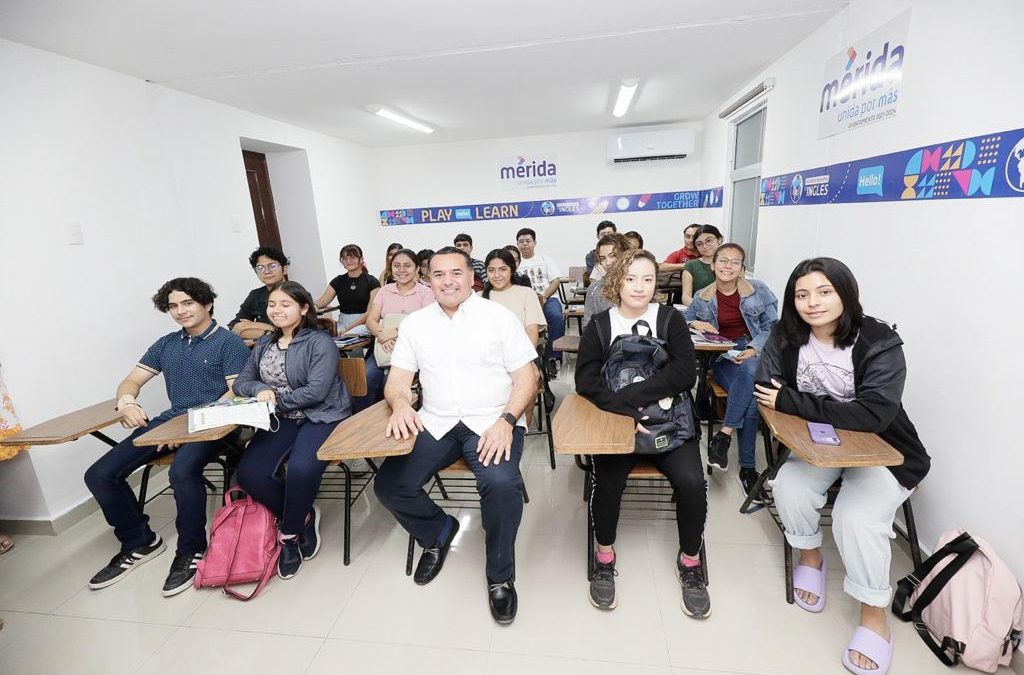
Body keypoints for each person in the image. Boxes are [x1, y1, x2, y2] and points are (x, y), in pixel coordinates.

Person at [755, 258, 930, 675]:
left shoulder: (879, 341)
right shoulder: (786, 336)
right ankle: (811, 557)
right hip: (818, 445)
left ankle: (874, 617)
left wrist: (794, 401)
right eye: (802, 295)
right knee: (789, 487)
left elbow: (874, 416)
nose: (812, 303)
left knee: (855, 518)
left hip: (884, 450)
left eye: (824, 292)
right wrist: (828, 411)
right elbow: (766, 390)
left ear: (846, 293)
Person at [373, 247, 538, 625]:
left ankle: (500, 576)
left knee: (500, 485)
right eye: (439, 274)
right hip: (438, 420)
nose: (448, 281)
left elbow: (527, 378)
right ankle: (438, 531)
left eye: (456, 273)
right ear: (428, 279)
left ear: (470, 277)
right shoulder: (415, 324)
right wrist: (400, 405)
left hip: (492, 420)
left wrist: (507, 420)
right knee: (390, 485)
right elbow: (397, 382)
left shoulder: (499, 317)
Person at [84, 278, 250, 596]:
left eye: (187, 303)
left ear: (207, 304)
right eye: (173, 306)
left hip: (216, 425)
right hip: (170, 422)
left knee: (181, 471)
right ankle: (140, 542)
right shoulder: (167, 344)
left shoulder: (229, 343)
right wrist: (127, 402)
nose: (180, 311)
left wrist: (187, 429)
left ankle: (190, 550)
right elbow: (131, 380)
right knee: (100, 475)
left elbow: (234, 395)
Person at [575, 249, 710, 618]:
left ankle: (691, 561)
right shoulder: (601, 325)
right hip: (620, 426)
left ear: (657, 283)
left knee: (692, 483)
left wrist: (630, 398)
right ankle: (604, 555)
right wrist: (624, 413)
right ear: (617, 281)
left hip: (669, 423)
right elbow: (585, 381)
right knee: (607, 483)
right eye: (631, 278)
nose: (639, 287)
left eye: (648, 279)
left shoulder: (668, 318)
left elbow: (685, 374)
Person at [233, 281, 352, 579]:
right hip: (281, 418)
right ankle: (303, 515)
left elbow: (316, 391)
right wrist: (260, 388)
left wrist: (275, 403)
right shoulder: (264, 343)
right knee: (249, 474)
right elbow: (241, 382)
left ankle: (289, 534)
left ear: (303, 308)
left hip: (320, 415)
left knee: (301, 469)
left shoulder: (319, 342)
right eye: (272, 305)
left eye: (285, 304)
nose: (277, 310)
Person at [684, 243, 778, 497]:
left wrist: (754, 348)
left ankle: (724, 436)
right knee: (750, 396)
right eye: (723, 261)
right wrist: (696, 321)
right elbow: (683, 319)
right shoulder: (703, 295)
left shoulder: (759, 290)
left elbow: (773, 327)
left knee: (750, 375)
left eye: (734, 262)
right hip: (723, 355)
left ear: (742, 268)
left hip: (755, 352)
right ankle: (747, 469)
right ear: (713, 265)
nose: (728, 266)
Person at [361, 249, 435, 409]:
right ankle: (366, 423)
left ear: (417, 269)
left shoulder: (426, 293)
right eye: (397, 265)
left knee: (390, 385)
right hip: (384, 347)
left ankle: (393, 422)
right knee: (366, 380)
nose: (401, 270)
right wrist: (382, 334)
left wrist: (394, 332)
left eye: (407, 265)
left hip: (411, 350)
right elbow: (371, 320)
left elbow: (426, 323)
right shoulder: (384, 291)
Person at [515, 227, 565, 378]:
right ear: (517, 244)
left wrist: (544, 296)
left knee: (556, 317)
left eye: (528, 241)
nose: (524, 244)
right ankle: (528, 358)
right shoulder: (515, 263)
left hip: (547, 298)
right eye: (521, 241)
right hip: (525, 302)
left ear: (534, 243)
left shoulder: (544, 259)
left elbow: (556, 280)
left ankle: (551, 357)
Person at [482, 248, 545, 347]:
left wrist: (526, 360)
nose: (497, 275)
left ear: (512, 270)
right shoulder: (478, 298)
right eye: (491, 270)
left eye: (503, 269)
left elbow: (532, 332)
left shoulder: (527, 294)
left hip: (521, 355)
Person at [315, 244, 380, 335]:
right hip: (342, 322)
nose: (348, 261)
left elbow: (370, 312)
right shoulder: (338, 281)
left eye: (352, 258)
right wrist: (313, 306)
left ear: (361, 260)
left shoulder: (372, 282)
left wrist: (347, 329)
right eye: (345, 258)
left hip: (364, 323)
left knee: (349, 334)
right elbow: (323, 300)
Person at [230, 246, 290, 338]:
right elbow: (235, 327)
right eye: (260, 268)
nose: (267, 271)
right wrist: (267, 333)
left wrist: (255, 325)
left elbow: (293, 331)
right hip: (264, 348)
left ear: (284, 269)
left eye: (272, 266)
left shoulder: (297, 293)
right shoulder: (255, 295)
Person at [582, 233, 629, 329]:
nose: (607, 263)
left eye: (613, 256)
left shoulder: (638, 285)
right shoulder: (594, 289)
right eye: (603, 258)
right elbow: (588, 327)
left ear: (625, 255)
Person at [681, 225, 722, 305]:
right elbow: (686, 297)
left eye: (709, 240)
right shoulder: (691, 266)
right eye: (699, 244)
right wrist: (702, 308)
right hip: (702, 310)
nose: (705, 246)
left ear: (719, 239)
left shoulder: (730, 262)